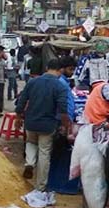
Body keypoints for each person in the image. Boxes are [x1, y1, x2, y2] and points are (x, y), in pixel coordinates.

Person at [14, 58, 71, 189]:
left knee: (30, 143)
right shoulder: (60, 86)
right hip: (48, 124)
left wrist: (18, 117)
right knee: (44, 152)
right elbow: (63, 108)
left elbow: (22, 100)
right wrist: (65, 125)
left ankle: (29, 162)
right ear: (60, 70)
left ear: (47, 68)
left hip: (31, 122)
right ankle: (40, 186)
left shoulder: (33, 82)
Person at [59, 56, 78, 122]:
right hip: (65, 118)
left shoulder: (65, 82)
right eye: (70, 69)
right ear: (62, 69)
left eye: (73, 70)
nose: (72, 72)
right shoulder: (61, 82)